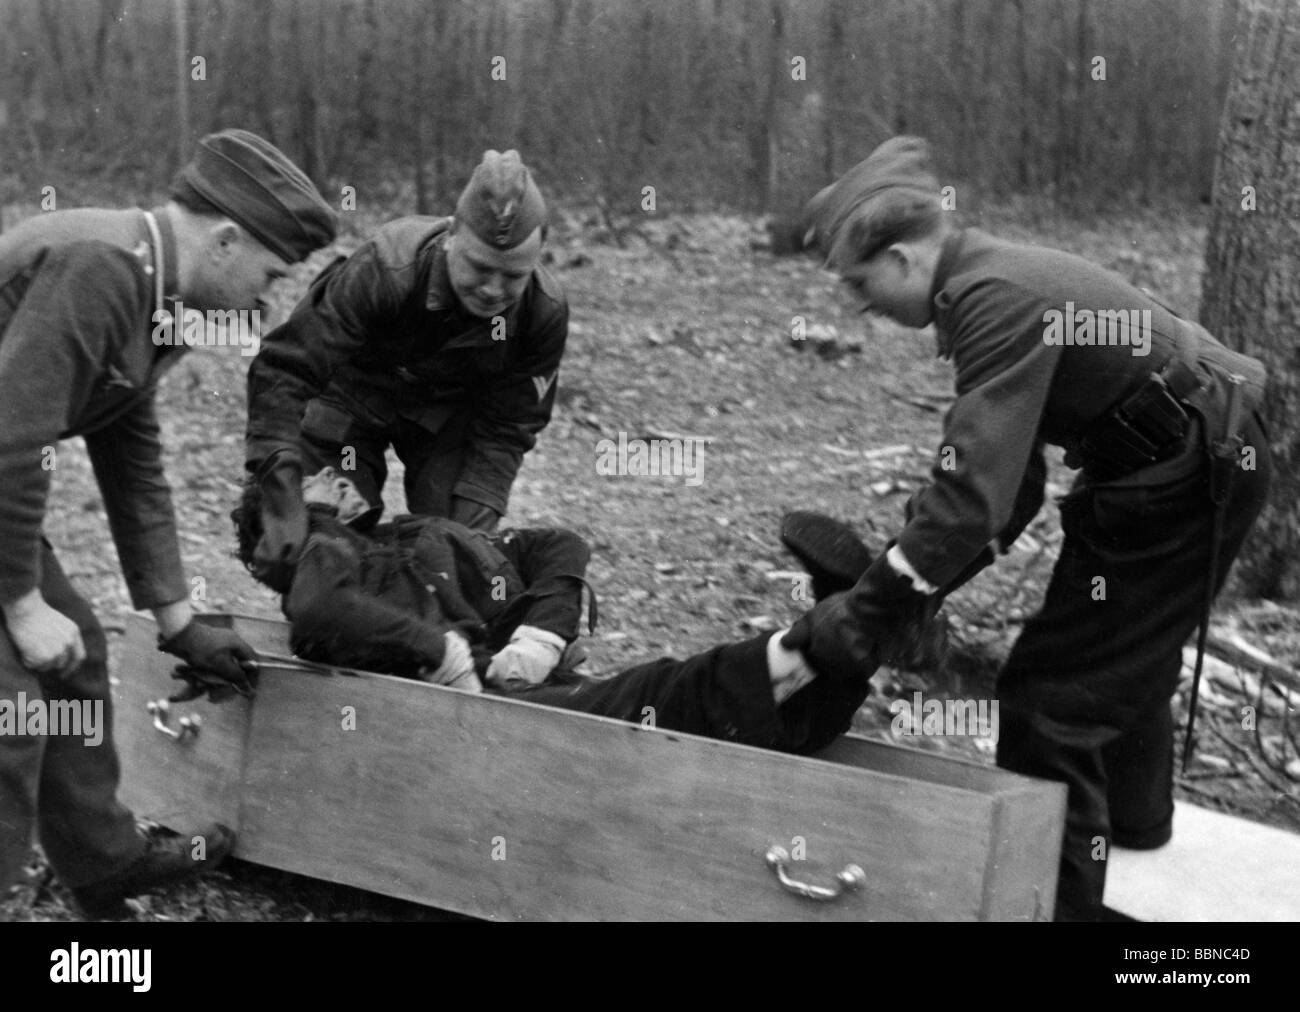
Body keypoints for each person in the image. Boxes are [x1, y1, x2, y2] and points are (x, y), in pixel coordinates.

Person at [787, 136, 1273, 920]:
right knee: (1116, 650)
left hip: (1181, 471)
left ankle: (1058, 910)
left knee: (1052, 703)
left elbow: (972, 497)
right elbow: (1010, 490)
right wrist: (913, 584)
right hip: (1176, 457)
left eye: (859, 282)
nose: (859, 306)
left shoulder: (996, 299)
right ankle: (1134, 827)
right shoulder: (990, 278)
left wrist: (876, 604)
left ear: (907, 259)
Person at [0, 128, 337, 919]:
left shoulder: (160, 300)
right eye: (270, 271)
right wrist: (18, 603)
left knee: (72, 656)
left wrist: (179, 621)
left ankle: (102, 864)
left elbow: (132, 459)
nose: (267, 296)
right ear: (224, 240)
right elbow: (12, 444)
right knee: (11, 707)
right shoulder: (101, 268)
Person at [225, 471, 904, 758]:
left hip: (519, 684)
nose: (339, 476)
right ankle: (824, 636)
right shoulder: (322, 553)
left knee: (673, 703)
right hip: (484, 717)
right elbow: (312, 609)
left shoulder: (410, 535)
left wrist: (544, 631)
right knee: (664, 694)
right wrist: (441, 652)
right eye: (314, 480)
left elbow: (555, 545)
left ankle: (843, 646)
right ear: (281, 532)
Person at [245, 148, 569, 593]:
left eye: (512, 276)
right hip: (349, 401)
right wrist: (281, 495)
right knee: (325, 542)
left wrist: (471, 540)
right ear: (453, 234)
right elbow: (286, 369)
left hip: (445, 420)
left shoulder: (541, 313)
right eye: (479, 268)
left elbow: (507, 429)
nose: (494, 290)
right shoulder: (386, 268)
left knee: (454, 563)